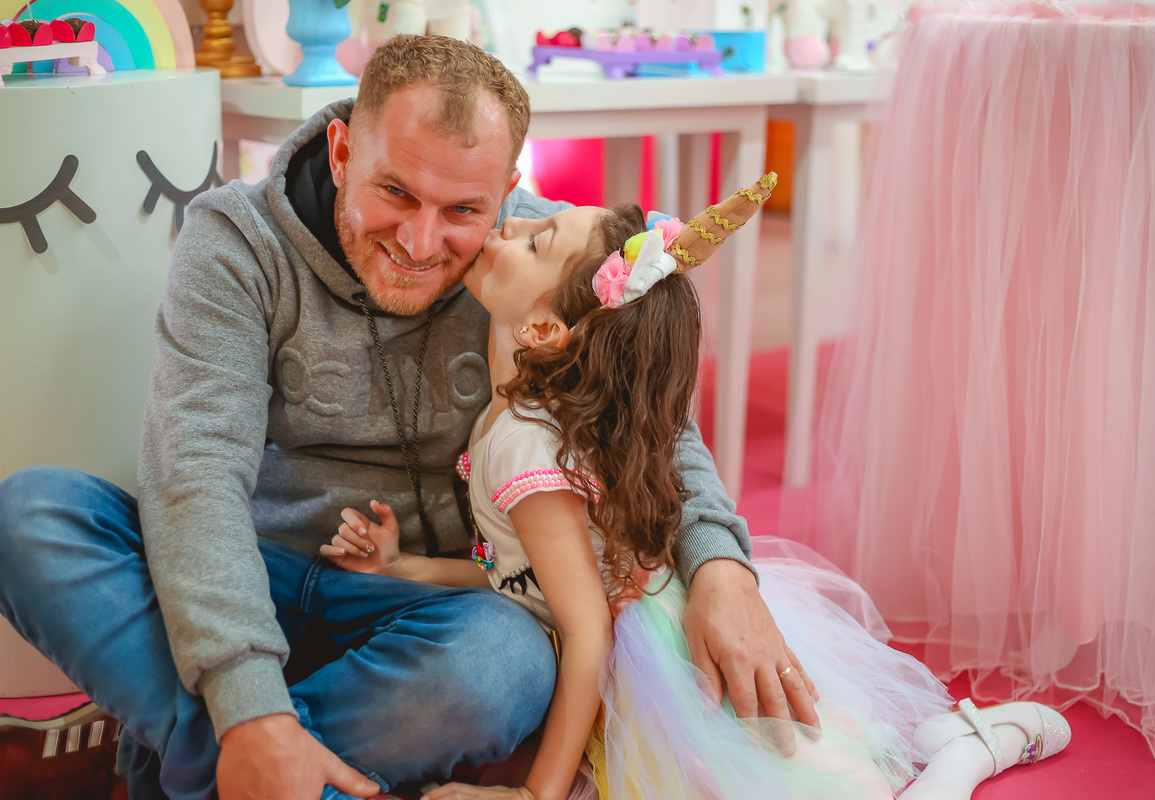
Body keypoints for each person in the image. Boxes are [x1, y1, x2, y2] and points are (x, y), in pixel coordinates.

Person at [0, 35, 813, 800]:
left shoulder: (534, 257)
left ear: (507, 188)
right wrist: (249, 698)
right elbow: (196, 473)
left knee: (503, 665)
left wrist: (720, 568)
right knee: (30, 517)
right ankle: (253, 741)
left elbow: (650, 423)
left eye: (464, 209)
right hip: (260, 567)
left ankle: (188, 755)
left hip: (433, 606)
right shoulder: (234, 240)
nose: (423, 242)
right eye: (395, 192)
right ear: (343, 150)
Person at [322, 176, 1074, 800]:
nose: (507, 228)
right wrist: (405, 568)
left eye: (534, 237)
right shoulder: (527, 412)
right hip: (623, 661)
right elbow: (519, 578)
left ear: (548, 332)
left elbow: (584, 629)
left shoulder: (521, 440)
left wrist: (533, 796)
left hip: (659, 670)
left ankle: (969, 754)